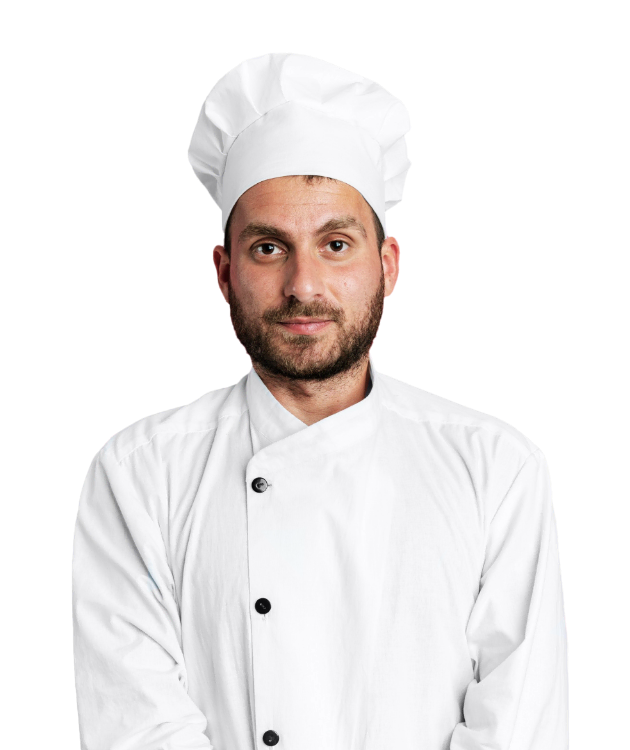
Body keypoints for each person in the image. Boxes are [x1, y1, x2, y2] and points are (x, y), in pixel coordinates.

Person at [71, 53, 570, 749]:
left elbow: (519, 731)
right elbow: (137, 730)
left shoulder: (496, 469)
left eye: (336, 244)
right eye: (268, 249)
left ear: (388, 269)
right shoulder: (137, 476)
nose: (304, 285)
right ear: (222, 274)